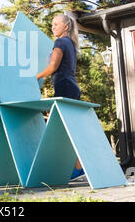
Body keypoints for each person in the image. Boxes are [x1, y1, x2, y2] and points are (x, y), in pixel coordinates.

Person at [36, 13, 85, 181]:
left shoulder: (60, 42)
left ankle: (77, 169)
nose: (53, 26)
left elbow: (53, 67)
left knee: (62, 131)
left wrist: (35, 77)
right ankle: (78, 168)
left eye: (56, 23)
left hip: (65, 88)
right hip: (71, 88)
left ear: (66, 26)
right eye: (52, 24)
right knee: (68, 131)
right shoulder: (70, 43)